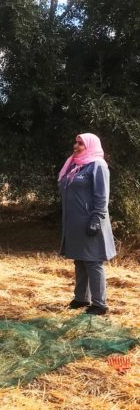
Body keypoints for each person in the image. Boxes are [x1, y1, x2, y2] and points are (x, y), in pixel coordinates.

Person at [58, 133, 116, 315]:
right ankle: (81, 298)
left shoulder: (98, 165)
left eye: (81, 144)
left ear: (90, 146)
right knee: (80, 261)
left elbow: (102, 196)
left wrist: (96, 219)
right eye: (76, 142)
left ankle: (100, 305)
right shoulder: (74, 165)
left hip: (91, 222)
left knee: (93, 262)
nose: (76, 146)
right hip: (75, 223)